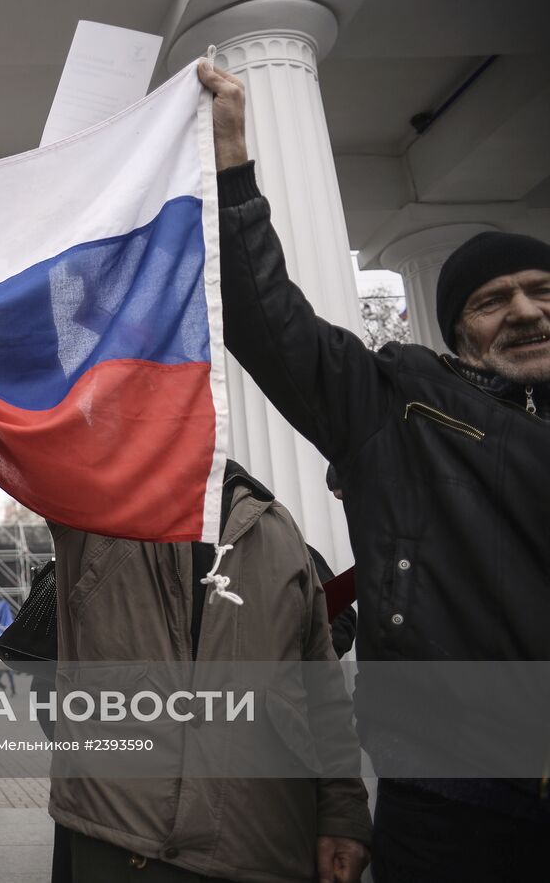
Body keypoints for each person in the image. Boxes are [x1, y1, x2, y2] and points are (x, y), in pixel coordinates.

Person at [200, 59, 550, 879]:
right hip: (456, 797)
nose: (526, 311)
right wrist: (230, 170)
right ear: (458, 326)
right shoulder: (394, 403)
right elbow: (266, 317)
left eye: (541, 290)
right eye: (493, 300)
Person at [49, 461, 372, 882]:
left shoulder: (275, 525)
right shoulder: (93, 503)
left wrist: (343, 813)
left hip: (263, 841)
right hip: (126, 838)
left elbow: (323, 690)